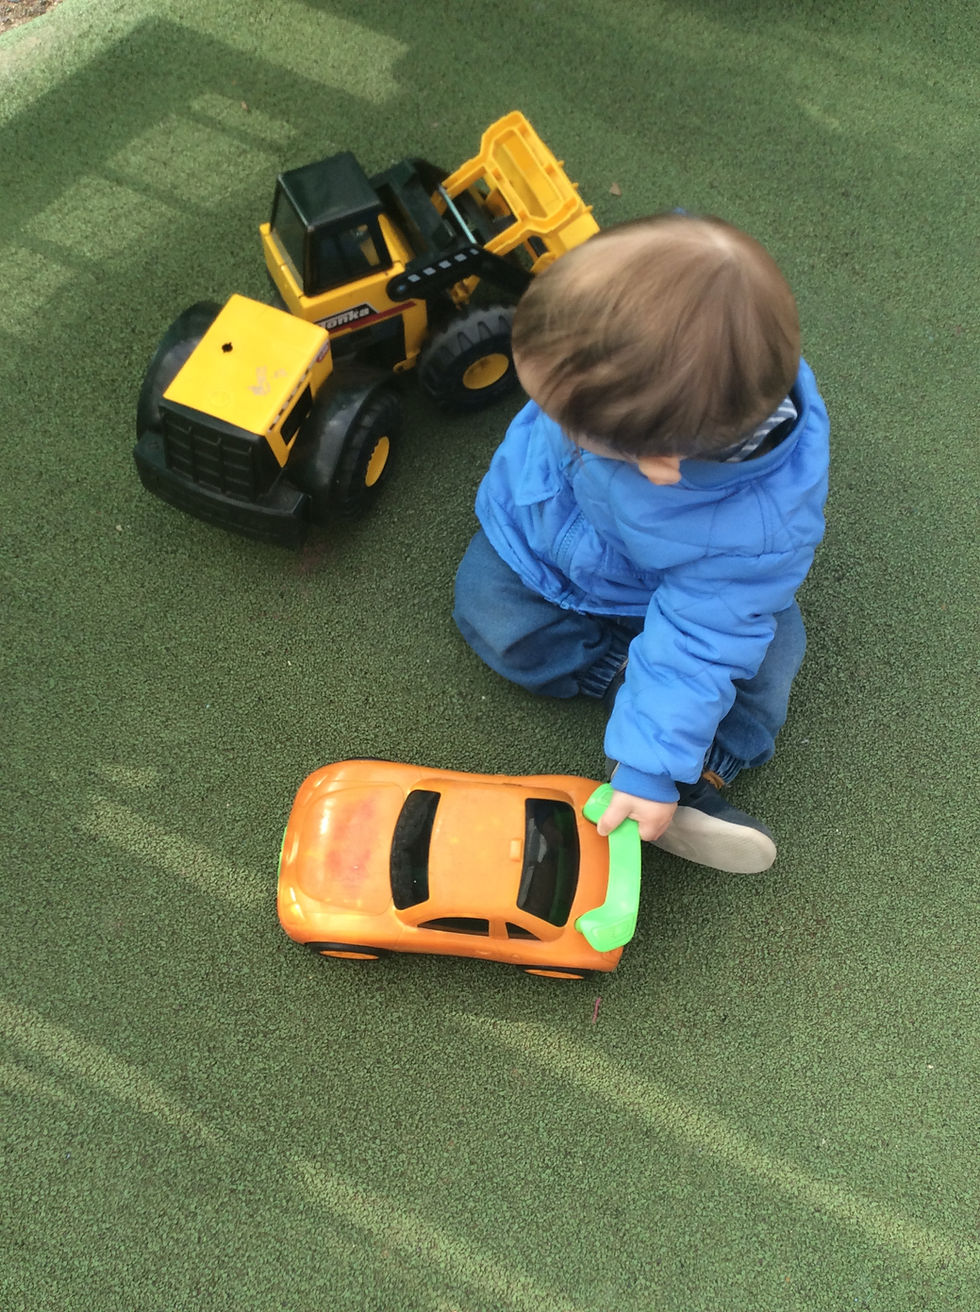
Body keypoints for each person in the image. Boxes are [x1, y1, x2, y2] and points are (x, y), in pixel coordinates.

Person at [453, 212, 830, 873]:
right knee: (489, 612)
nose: (548, 415)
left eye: (564, 416)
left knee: (760, 661)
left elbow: (701, 637)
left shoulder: (752, 534)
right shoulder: (639, 342)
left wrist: (649, 769)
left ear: (657, 466)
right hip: (543, 546)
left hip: (671, 596)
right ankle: (621, 674)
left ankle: (696, 780)